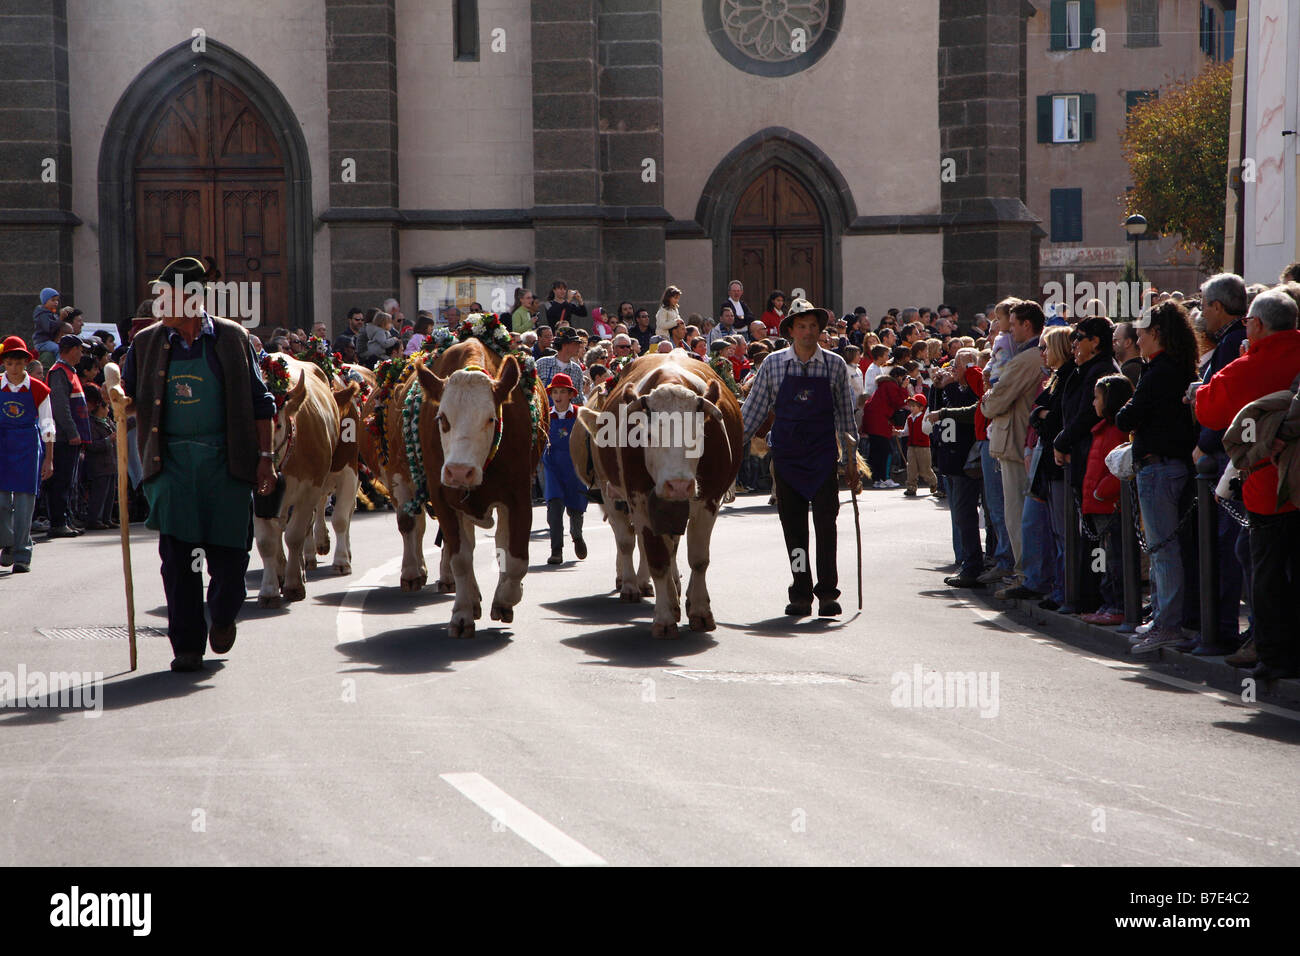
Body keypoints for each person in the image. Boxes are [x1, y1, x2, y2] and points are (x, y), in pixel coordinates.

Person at [114, 255, 277, 673]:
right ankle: (187, 645)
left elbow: (262, 405)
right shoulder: (147, 343)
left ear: (190, 299)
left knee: (230, 560)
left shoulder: (232, 338)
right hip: (171, 468)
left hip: (226, 467)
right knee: (179, 562)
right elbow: (129, 398)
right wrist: (118, 399)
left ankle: (222, 615)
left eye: (164, 296)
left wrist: (266, 460)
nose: (158, 304)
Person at [1194, 289, 1300, 679]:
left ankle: (1275, 657)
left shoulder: (1248, 366)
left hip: (1269, 487)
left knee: (1268, 575)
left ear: (1256, 324)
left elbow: (1209, 408)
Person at [740, 298, 860, 617]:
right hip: (787, 459)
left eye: (813, 327)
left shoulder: (834, 364)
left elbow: (846, 418)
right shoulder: (774, 363)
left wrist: (852, 462)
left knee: (826, 526)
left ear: (820, 330)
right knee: (794, 530)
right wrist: (727, 446)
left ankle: (827, 593)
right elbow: (752, 412)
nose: (808, 332)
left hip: (822, 457)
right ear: (791, 330)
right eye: (802, 326)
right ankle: (801, 590)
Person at [1115, 301, 1200, 657]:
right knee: (1165, 549)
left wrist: (1127, 411)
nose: (1137, 339)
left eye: (1141, 333)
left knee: (1163, 551)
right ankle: (1165, 617)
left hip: (1159, 467)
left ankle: (1168, 625)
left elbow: (1126, 417)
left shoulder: (1158, 370)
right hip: (1172, 465)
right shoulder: (1179, 366)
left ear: (1157, 333)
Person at [1187, 273, 1250, 655]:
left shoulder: (1230, 345)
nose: (1202, 312)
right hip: (1221, 455)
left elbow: (1227, 404)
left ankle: (1223, 630)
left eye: (1204, 304)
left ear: (1217, 306)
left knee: (1228, 549)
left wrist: (1205, 444)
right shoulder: (1229, 341)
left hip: (1225, 457)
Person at [1053, 316, 1119, 613]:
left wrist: (1061, 440)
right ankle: (1086, 596)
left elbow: (1087, 416)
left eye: (1079, 337)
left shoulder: (1103, 371)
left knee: (1100, 538)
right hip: (1082, 459)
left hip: (1096, 461)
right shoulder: (1083, 370)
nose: (1073, 343)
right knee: (1089, 533)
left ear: (1096, 341)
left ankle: (1100, 599)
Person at [980, 301, 1043, 596]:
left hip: (1016, 442)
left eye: (1015, 323)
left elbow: (994, 402)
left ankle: (1024, 575)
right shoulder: (1032, 355)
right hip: (1022, 442)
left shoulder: (1024, 359)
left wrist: (989, 396)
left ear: (1027, 325)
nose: (1011, 328)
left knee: (1017, 515)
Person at [1078, 374, 1135, 626]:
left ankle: (1118, 605)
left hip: (1110, 505)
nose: (1093, 403)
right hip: (1099, 505)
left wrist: (1101, 492)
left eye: (1097, 397)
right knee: (1104, 557)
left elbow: (1120, 468)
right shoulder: (1103, 430)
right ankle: (1107, 602)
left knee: (1114, 559)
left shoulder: (1118, 432)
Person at [0, 336, 55, 573]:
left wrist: (49, 459)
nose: (14, 368)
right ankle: (9, 543)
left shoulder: (39, 389)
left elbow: (48, 425)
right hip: (2, 445)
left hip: (27, 446)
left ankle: (22, 554)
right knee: (1, 502)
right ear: (4, 364)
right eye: (9, 363)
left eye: (19, 363)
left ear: (26, 363)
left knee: (24, 503)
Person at [928, 351, 983, 587]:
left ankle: (973, 564)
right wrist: (938, 387)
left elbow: (966, 411)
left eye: (956, 367)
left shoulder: (972, 388)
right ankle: (967, 561)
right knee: (960, 516)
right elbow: (935, 413)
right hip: (949, 462)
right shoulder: (952, 388)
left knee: (967, 516)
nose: (952, 372)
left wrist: (949, 386)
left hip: (966, 464)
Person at [44, 334, 91, 537]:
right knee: (61, 481)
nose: (81, 353)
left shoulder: (69, 372)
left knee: (67, 482)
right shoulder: (58, 372)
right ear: (71, 349)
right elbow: (60, 407)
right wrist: (72, 432)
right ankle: (57, 522)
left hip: (70, 437)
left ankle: (65, 519)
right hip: (64, 438)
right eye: (80, 349)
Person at [541, 373, 587, 565]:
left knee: (576, 508)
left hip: (575, 467)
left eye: (562, 391)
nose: (558, 396)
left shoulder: (581, 414)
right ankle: (556, 551)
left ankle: (577, 536)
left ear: (570, 394)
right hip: (552, 467)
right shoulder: (545, 416)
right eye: (554, 392)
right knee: (554, 507)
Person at [862, 365, 908, 489]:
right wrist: (903, 389)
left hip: (874, 421)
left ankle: (877, 479)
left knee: (876, 452)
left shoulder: (884, 385)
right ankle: (883, 478)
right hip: (880, 422)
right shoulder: (891, 385)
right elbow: (898, 402)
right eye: (903, 378)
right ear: (898, 377)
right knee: (884, 452)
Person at [81, 383, 118, 530]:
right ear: (99, 408)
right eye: (106, 407)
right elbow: (92, 445)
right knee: (99, 494)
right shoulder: (92, 424)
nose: (108, 410)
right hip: (99, 464)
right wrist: (109, 440)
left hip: (111, 463)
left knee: (110, 494)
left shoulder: (108, 422)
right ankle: (94, 519)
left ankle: (106, 518)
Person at [900, 393, 937, 497]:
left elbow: (929, 430)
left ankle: (933, 482)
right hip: (911, 446)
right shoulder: (909, 418)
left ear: (921, 407)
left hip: (923, 447)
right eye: (910, 406)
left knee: (925, 468)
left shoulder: (925, 418)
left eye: (914, 406)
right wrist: (898, 432)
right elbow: (906, 431)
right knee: (911, 467)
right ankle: (911, 487)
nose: (911, 408)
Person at [535, 327, 587, 401]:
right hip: (544, 411)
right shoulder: (541, 364)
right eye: (575, 343)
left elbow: (579, 400)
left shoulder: (577, 370)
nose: (578, 346)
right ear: (565, 345)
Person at [32, 288, 62, 360]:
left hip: (48, 340)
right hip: (42, 342)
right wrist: (60, 320)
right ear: (45, 301)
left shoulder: (51, 313)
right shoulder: (42, 314)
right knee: (57, 348)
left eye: (57, 300)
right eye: (53, 300)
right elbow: (48, 328)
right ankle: (60, 364)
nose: (56, 302)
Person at [1113, 321, 1142, 386]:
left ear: (1127, 342)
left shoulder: (1129, 371)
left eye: (1115, 340)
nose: (1113, 344)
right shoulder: (1141, 367)